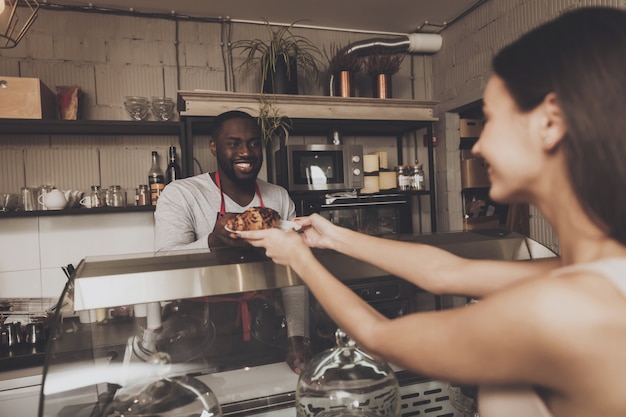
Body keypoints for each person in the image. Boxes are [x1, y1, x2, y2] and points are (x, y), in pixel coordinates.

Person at [236, 7, 626, 417]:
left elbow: (379, 337)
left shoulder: (566, 309)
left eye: (490, 118)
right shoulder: (592, 276)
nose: (477, 146)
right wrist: (333, 236)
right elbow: (446, 273)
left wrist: (299, 258)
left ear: (550, 123)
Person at [154, 110, 312, 374]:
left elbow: (294, 274)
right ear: (214, 147)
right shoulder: (182, 194)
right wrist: (213, 242)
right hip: (200, 333)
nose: (246, 152)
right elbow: (164, 262)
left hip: (268, 328)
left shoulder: (278, 197)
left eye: (253, 143)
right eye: (234, 143)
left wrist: (297, 337)